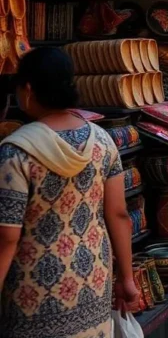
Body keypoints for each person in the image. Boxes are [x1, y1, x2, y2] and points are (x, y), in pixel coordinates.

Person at [0, 47, 139, 338]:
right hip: (93, 282)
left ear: (27, 89)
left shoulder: (15, 153)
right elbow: (118, 214)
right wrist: (126, 278)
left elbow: (6, 238)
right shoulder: (103, 142)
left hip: (33, 295)